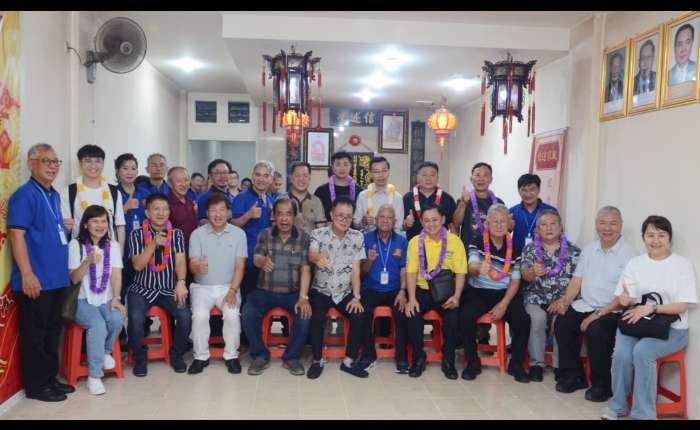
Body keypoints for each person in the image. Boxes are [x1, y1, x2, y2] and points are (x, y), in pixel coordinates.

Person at [601, 216, 697, 420]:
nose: (656, 240)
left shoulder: (682, 265)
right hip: (637, 324)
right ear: (643, 238)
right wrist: (625, 300)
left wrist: (652, 308)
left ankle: (642, 415)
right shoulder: (635, 264)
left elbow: (682, 305)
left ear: (669, 238)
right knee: (621, 354)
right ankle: (618, 406)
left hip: (674, 330)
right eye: (650, 235)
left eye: (661, 235)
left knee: (643, 351)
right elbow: (627, 298)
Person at [8, 143, 75, 402]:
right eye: (46, 161)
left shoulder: (53, 195)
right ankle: (37, 386)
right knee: (35, 335)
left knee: (52, 332)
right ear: (31, 164)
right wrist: (27, 274)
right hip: (36, 280)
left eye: (55, 161)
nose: (52, 166)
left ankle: (50, 379)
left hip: (56, 279)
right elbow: (17, 235)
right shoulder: (25, 195)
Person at [554, 206, 637, 401]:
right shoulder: (589, 249)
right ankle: (574, 376)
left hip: (613, 310)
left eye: (612, 223)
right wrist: (565, 301)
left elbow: (625, 296)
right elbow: (576, 281)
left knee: (596, 331)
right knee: (562, 323)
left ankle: (602, 385)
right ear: (596, 225)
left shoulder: (631, 255)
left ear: (620, 226)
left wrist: (598, 314)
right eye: (603, 223)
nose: (607, 228)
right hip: (586, 304)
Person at [242, 197, 312, 376]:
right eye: (280, 214)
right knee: (248, 313)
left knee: (304, 315)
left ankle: (292, 358)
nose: (284, 218)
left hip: (292, 293)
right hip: (265, 291)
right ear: (273, 216)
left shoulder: (304, 238)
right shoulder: (264, 234)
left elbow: (305, 270)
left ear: (294, 216)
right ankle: (260, 355)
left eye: (288, 214)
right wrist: (262, 261)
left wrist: (303, 297)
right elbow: (257, 258)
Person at [461, 204, 531, 383]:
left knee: (523, 319)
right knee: (466, 316)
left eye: (503, 221)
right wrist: (478, 268)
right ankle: (472, 362)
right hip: (478, 291)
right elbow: (472, 266)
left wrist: (503, 304)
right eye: (495, 222)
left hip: (504, 294)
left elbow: (515, 280)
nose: (499, 225)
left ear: (509, 224)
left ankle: (516, 364)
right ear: (487, 224)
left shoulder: (516, 247)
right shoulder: (477, 241)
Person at [127, 193, 191, 376]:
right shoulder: (136, 234)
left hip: (168, 288)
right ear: (147, 212)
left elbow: (180, 262)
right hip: (141, 289)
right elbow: (137, 266)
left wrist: (181, 282)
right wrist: (153, 244)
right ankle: (140, 358)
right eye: (156, 209)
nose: (161, 213)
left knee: (185, 316)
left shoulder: (176, 234)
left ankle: (176, 354)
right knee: (135, 319)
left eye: (164, 209)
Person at [307, 196, 368, 379]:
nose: (344, 220)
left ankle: (348, 361)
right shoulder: (318, 234)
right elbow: (311, 253)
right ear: (331, 215)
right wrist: (318, 258)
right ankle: (317, 360)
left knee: (359, 315)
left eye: (348, 216)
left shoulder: (357, 237)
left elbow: (356, 270)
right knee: (317, 317)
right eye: (340, 215)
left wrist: (356, 297)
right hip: (321, 289)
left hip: (344, 291)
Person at [404, 202, 466, 379]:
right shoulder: (415, 242)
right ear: (421, 222)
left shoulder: (455, 241)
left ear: (443, 219)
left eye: (435, 219)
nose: (431, 224)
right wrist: (411, 298)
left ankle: (448, 360)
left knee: (453, 317)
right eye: (427, 220)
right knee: (412, 314)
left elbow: (461, 272)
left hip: (445, 292)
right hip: (422, 290)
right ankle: (418, 357)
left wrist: (456, 297)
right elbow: (410, 272)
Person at [68, 205, 126, 395]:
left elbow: (116, 275)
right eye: (95, 221)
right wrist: (87, 261)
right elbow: (74, 279)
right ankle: (94, 376)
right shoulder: (75, 245)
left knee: (117, 318)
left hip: (105, 298)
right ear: (85, 224)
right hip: (81, 300)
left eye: (103, 221)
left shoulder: (113, 245)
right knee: (98, 324)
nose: (100, 225)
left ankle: (105, 352)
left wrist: (116, 298)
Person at [187, 193, 247, 375]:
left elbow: (240, 266)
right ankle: (200, 356)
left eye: (222, 210)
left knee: (232, 314)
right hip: (202, 287)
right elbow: (192, 263)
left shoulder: (239, 234)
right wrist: (197, 267)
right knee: (199, 316)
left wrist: (233, 290)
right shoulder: (197, 234)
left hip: (229, 286)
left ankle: (231, 356)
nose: (218, 214)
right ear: (207, 213)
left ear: (229, 213)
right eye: (213, 210)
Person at [520, 210, 580, 382]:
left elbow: (579, 282)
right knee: (537, 319)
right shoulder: (530, 249)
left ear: (561, 227)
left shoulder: (574, 251)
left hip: (563, 299)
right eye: (544, 225)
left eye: (553, 223)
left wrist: (563, 300)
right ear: (537, 230)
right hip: (536, 298)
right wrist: (532, 272)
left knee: (561, 321)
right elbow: (525, 275)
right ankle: (536, 365)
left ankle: (559, 366)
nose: (548, 228)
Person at [453, 162, 504, 345]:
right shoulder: (464, 199)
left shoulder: (498, 203)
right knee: (467, 295)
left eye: (485, 175)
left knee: (486, 293)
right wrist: (463, 203)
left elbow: (505, 227)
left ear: (491, 179)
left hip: (492, 257)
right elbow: (456, 223)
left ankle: (483, 333)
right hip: (468, 255)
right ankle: (463, 335)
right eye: (477, 174)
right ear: (471, 178)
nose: (481, 178)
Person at [358, 204, 409, 372]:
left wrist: (402, 291)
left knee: (402, 312)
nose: (385, 220)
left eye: (389, 218)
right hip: (370, 288)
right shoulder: (365, 239)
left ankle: (401, 357)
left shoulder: (402, 241)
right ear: (376, 220)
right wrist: (369, 260)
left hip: (394, 289)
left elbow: (404, 269)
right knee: (363, 312)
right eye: (382, 217)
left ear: (395, 221)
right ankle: (368, 355)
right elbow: (361, 271)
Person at [61, 144, 126, 255]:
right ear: (80, 163)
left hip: (108, 252)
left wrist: (119, 253)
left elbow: (119, 226)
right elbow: (66, 226)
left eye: (97, 161)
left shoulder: (114, 192)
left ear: (103, 163)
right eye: (88, 161)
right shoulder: (69, 191)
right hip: (79, 252)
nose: (93, 165)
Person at [115, 153, 146, 303]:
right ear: (117, 171)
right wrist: (124, 208)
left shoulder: (143, 193)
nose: (130, 172)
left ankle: (140, 317)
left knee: (140, 289)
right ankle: (119, 316)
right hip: (121, 248)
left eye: (133, 168)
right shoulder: (112, 193)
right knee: (120, 288)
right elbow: (104, 219)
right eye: (125, 168)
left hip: (141, 249)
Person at [402, 161, 457, 242]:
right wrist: (406, 224)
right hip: (414, 245)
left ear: (437, 177)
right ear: (417, 177)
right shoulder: (407, 198)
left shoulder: (447, 199)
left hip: (441, 245)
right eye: (424, 175)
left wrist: (456, 243)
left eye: (432, 175)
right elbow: (401, 227)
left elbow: (452, 225)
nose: (428, 179)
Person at [354, 156, 403, 234]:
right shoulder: (362, 196)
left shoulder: (397, 197)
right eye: (376, 171)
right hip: (368, 238)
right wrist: (363, 221)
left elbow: (399, 226)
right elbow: (355, 223)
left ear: (388, 171)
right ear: (370, 173)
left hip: (391, 239)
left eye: (384, 171)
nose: (381, 175)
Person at [509, 173, 558, 251]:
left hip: (543, 255)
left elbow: (559, 236)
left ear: (538, 189)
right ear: (518, 191)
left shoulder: (551, 211)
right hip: (517, 255)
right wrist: (507, 228)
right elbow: (503, 235)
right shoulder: (512, 211)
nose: (528, 194)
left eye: (532, 189)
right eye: (524, 190)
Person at [314, 151, 363, 221]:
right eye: (338, 164)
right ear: (332, 167)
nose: (342, 168)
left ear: (351, 166)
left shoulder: (359, 191)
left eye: (346, 164)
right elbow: (316, 217)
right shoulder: (321, 191)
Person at [281, 161, 326, 234]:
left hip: (311, 241)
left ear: (309, 178)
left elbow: (321, 230)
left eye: (305, 176)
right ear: (291, 178)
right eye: (297, 175)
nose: (301, 179)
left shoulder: (316, 201)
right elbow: (275, 228)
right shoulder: (281, 200)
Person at [196, 159, 236, 225]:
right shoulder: (205, 198)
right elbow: (202, 222)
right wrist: (224, 218)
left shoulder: (232, 197)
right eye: (217, 173)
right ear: (210, 176)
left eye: (225, 172)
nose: (222, 176)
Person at [167, 166, 197, 247]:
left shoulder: (191, 201)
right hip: (175, 249)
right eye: (179, 181)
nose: (183, 184)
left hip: (193, 247)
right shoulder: (166, 204)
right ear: (169, 183)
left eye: (186, 180)